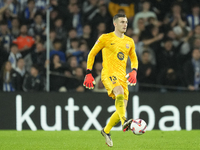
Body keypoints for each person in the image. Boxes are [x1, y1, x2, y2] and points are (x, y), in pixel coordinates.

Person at [83, 14, 138, 147]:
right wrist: (88, 72)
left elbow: (134, 58)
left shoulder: (129, 41)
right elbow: (92, 53)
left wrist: (134, 71)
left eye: (126, 22)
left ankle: (106, 131)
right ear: (115, 24)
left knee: (122, 107)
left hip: (122, 76)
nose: (125, 24)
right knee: (119, 93)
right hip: (108, 73)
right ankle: (124, 120)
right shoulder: (105, 38)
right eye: (122, 22)